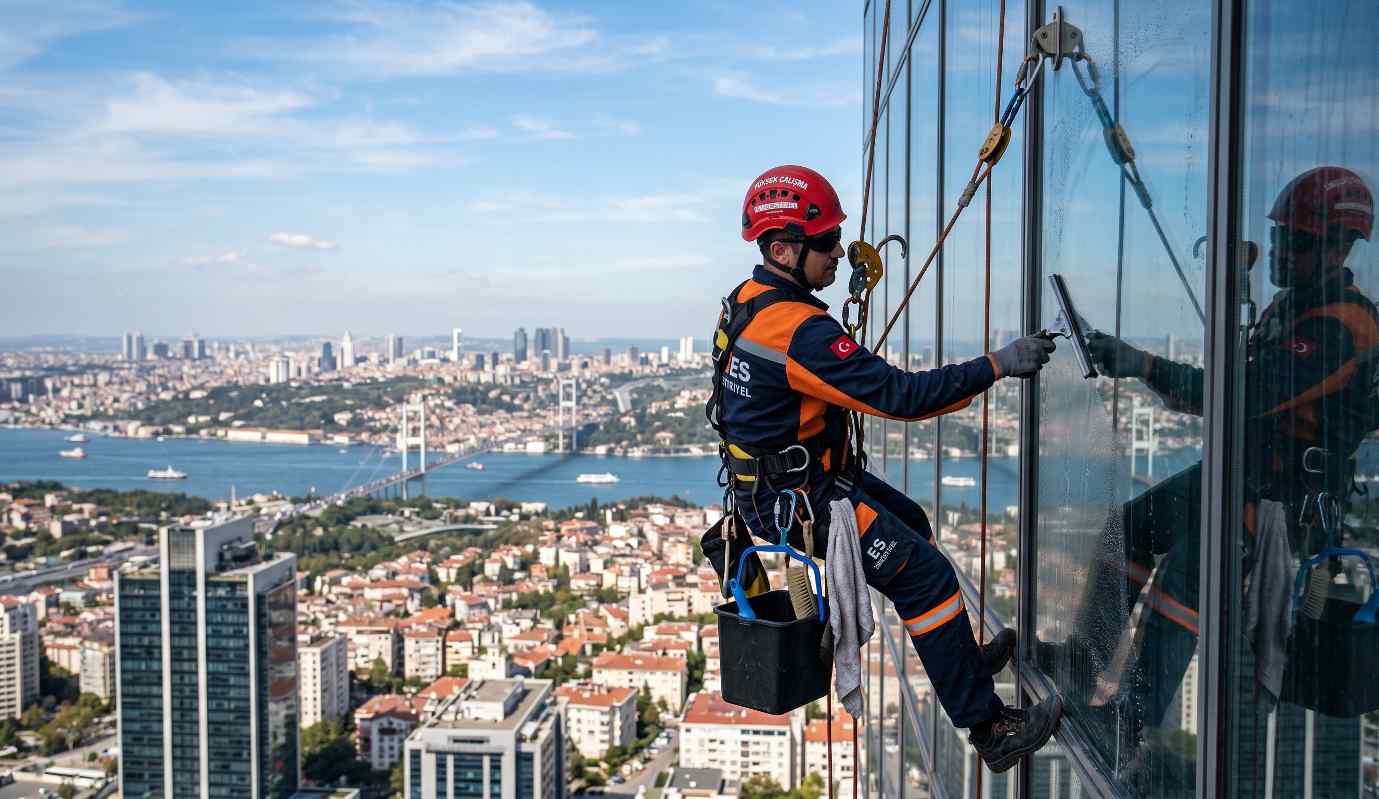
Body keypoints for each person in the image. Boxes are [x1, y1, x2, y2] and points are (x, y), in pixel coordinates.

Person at [706, 165, 1063, 773]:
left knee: (913, 523)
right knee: (926, 578)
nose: (838, 252)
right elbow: (903, 396)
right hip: (800, 498)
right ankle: (990, 729)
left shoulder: (747, 302)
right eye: (827, 242)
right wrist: (997, 365)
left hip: (783, 485)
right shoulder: (798, 330)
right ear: (784, 249)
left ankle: (960, 660)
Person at [1043, 166, 1379, 759]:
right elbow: (1235, 388)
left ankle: (1128, 724)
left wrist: (1146, 365)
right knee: (1132, 526)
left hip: (1278, 494)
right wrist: (1151, 370)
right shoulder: (1292, 309)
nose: (1281, 251)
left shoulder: (1341, 326)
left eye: (1297, 241)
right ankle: (1081, 662)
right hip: (1243, 472)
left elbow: (1247, 393)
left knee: (1188, 577)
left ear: (1339, 247)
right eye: (1279, 236)